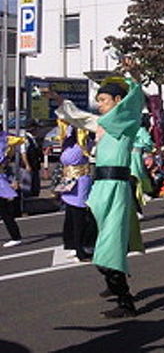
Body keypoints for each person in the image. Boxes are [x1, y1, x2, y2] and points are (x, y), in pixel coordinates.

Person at [47, 59, 145, 318]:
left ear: (117, 101)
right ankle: (114, 280)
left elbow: (135, 100)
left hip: (115, 188)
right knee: (95, 241)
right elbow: (77, 116)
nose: (99, 104)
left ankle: (125, 300)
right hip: (100, 188)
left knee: (106, 244)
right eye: (99, 100)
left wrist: (133, 75)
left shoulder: (126, 121)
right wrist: (58, 100)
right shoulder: (102, 123)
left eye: (103, 100)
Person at [56, 121, 96, 261]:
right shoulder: (68, 142)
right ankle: (72, 245)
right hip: (69, 181)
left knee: (78, 215)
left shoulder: (83, 143)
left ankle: (80, 248)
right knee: (71, 216)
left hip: (80, 182)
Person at [0, 131, 24, 247]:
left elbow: (6, 161)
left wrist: (12, 180)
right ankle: (15, 236)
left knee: (4, 211)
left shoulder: (4, 141)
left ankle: (16, 236)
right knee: (4, 212)